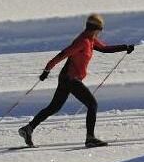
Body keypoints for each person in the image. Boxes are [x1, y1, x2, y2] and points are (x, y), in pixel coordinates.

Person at [18, 13, 134, 148]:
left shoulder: (90, 40)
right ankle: (90, 138)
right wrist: (47, 70)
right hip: (70, 79)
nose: (100, 33)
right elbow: (63, 54)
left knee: (53, 107)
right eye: (100, 30)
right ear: (95, 29)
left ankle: (28, 129)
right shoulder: (82, 41)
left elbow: (104, 49)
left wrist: (124, 47)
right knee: (92, 104)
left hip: (68, 79)